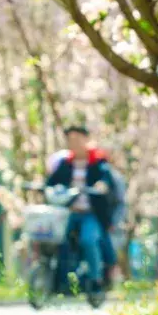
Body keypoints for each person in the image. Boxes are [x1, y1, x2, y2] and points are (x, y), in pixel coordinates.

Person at [46, 126, 119, 297]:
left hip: (90, 213)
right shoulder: (66, 163)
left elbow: (106, 180)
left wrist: (102, 186)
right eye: (70, 140)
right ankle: (58, 280)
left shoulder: (98, 162)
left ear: (86, 140)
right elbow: (51, 181)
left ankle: (96, 280)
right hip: (69, 213)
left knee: (88, 240)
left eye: (77, 139)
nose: (74, 143)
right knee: (56, 239)